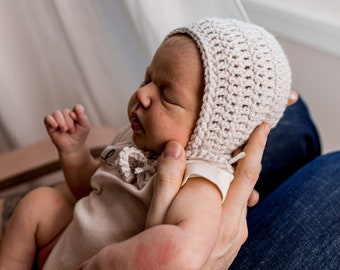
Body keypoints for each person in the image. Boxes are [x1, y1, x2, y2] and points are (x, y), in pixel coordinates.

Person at [0, 18, 294, 269]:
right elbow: (90, 191)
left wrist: (109, 261)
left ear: (212, 126)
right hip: (61, 248)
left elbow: (185, 253)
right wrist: (74, 152)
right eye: (147, 79)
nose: (142, 94)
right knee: (40, 204)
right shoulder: (135, 140)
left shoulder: (199, 183)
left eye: (166, 95)